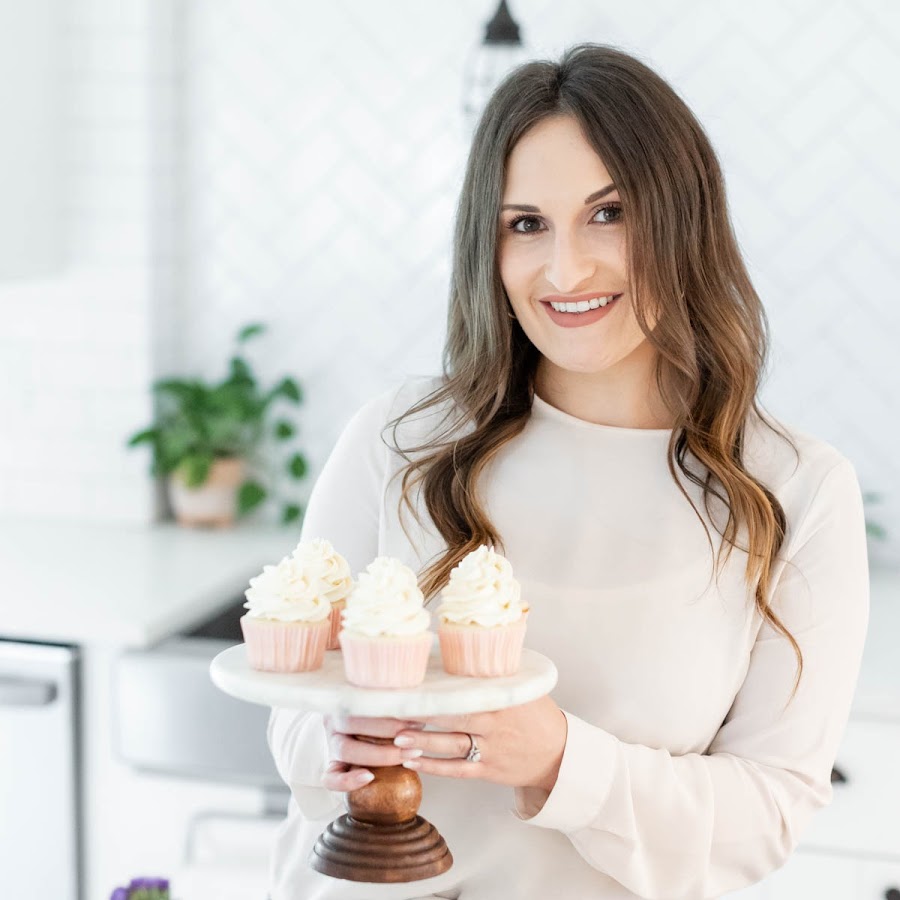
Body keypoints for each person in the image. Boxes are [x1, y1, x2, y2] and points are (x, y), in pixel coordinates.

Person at [265, 43, 870, 900]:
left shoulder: (794, 492)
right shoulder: (398, 440)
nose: (565, 269)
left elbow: (766, 816)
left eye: (609, 214)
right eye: (526, 224)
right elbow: (292, 718)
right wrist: (331, 740)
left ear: (683, 219)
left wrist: (559, 761)